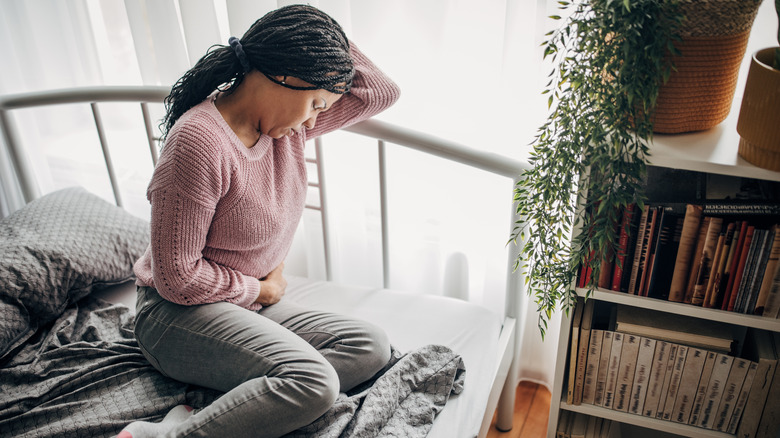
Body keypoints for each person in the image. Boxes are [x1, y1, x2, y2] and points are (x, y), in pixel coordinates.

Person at [119, 5, 400, 438]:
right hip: (175, 315)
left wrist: (319, 40)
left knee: (369, 347)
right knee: (316, 382)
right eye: (314, 104)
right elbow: (176, 277)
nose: (314, 119)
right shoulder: (199, 143)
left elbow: (380, 91)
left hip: (241, 306)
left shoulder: (288, 127)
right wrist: (261, 289)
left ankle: (227, 405)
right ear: (285, 76)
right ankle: (168, 435)